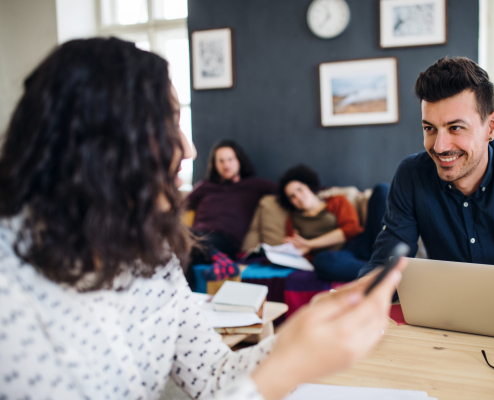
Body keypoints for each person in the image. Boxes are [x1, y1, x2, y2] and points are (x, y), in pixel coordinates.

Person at [0, 37, 406, 400]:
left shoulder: (150, 254)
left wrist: (299, 334)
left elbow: (215, 375)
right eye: (170, 123)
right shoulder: (10, 294)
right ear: (102, 143)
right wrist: (288, 366)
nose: (190, 149)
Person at [359, 56, 494, 293]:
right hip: (443, 319)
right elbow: (386, 265)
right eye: (430, 128)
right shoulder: (411, 175)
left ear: (491, 127)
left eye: (455, 128)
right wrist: (358, 297)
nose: (439, 147)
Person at [278, 165, 389, 282]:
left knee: (381, 189)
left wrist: (310, 244)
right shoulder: (293, 219)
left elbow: (351, 229)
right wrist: (299, 250)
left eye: (299, 189)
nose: (299, 197)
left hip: (361, 243)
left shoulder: (337, 201)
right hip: (339, 256)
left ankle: (387, 257)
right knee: (321, 261)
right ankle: (383, 273)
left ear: (308, 186)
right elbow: (296, 248)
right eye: (292, 196)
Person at [185, 140, 276, 280]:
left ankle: (221, 259)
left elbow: (285, 189)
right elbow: (178, 206)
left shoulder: (253, 184)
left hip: (225, 241)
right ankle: (220, 263)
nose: (226, 165)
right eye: (221, 161)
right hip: (197, 237)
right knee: (182, 251)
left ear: (239, 161)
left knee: (189, 240)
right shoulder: (205, 186)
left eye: (230, 160)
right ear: (215, 165)